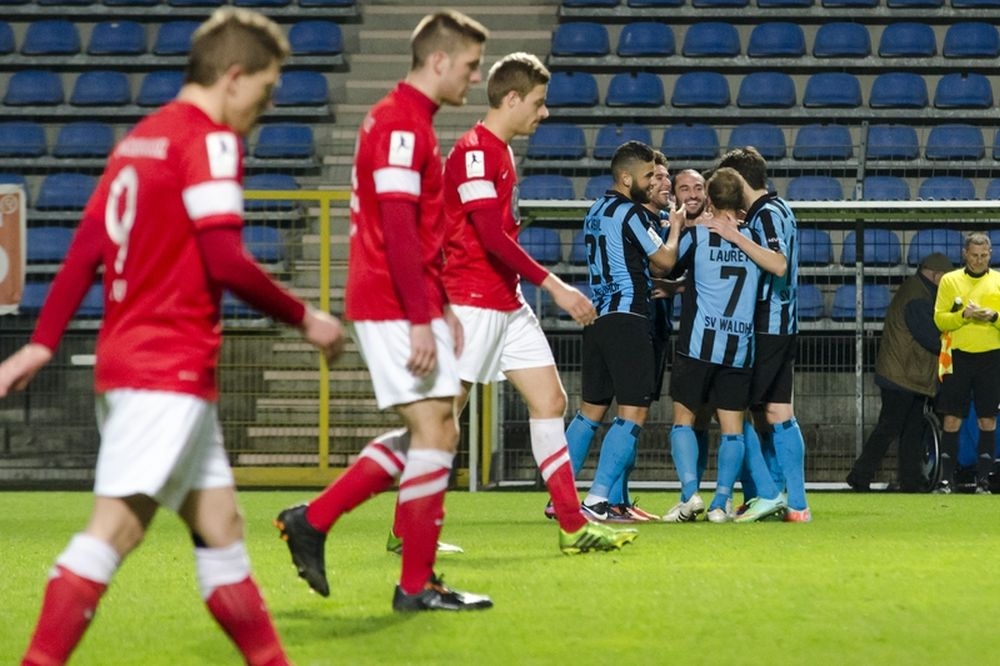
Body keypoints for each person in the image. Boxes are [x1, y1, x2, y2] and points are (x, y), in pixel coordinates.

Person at [0, 9, 346, 665]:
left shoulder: (139, 140)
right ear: (234, 77)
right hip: (167, 368)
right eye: (267, 90)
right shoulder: (209, 141)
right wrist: (307, 318)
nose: (268, 107)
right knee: (114, 532)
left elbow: (86, 249)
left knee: (223, 531)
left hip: (135, 365)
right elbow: (225, 260)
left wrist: (43, 343)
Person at [274, 11, 495, 612]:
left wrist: (440, 304)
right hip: (391, 299)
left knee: (436, 427)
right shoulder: (401, 123)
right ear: (439, 60)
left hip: (404, 296)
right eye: (471, 65)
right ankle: (413, 584)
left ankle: (315, 520)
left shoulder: (407, 119)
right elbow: (397, 227)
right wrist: (422, 315)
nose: (475, 78)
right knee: (436, 429)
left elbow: (415, 229)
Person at [441, 52, 638, 550]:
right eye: (538, 102)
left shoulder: (501, 151)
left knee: (550, 400)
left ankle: (572, 526)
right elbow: (489, 236)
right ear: (511, 99)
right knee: (441, 419)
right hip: (471, 300)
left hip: (504, 299)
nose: (544, 113)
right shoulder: (474, 152)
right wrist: (555, 285)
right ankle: (407, 526)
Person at [661, 167, 786, 523]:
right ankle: (720, 503)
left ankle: (690, 495)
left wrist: (675, 228)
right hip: (739, 348)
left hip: (699, 346)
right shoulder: (754, 239)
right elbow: (775, 268)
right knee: (733, 430)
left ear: (710, 200)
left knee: (683, 421)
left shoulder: (698, 236)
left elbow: (667, 265)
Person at [563, 140, 678, 521]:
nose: (652, 182)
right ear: (626, 178)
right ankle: (598, 498)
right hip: (629, 316)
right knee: (633, 411)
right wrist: (675, 229)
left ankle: (559, 497)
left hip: (598, 317)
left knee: (590, 412)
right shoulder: (630, 213)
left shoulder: (596, 209)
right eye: (648, 176)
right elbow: (664, 261)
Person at [717, 147, 810, 523]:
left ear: (740, 180)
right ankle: (795, 504)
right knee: (776, 411)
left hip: (766, 324)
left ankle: (768, 493)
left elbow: (778, 262)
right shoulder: (779, 207)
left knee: (733, 410)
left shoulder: (767, 214)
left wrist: (733, 235)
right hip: (783, 323)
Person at [846, 252, 952, 492]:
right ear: (936, 275)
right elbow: (930, 337)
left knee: (909, 428)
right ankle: (862, 474)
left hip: (904, 374)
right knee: (892, 427)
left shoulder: (914, 290)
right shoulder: (919, 298)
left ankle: (909, 481)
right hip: (904, 375)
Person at [932, 232, 1000, 494]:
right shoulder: (950, 281)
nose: (979, 260)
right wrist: (963, 316)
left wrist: (993, 317)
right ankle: (946, 480)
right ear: (965, 254)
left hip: (991, 356)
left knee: (987, 419)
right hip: (958, 356)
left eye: (983, 256)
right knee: (952, 417)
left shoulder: (998, 281)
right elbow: (940, 319)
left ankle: (983, 481)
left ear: (990, 254)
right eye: (974, 255)